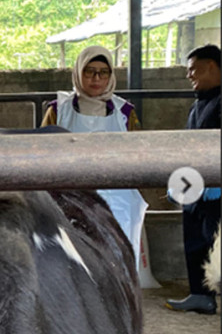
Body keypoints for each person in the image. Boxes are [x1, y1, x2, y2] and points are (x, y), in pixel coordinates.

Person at [41, 45, 147, 267]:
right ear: (78, 73)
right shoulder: (58, 110)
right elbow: (42, 152)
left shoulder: (125, 113)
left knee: (117, 256)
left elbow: (138, 153)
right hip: (70, 194)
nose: (96, 78)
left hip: (117, 196)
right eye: (89, 71)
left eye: (103, 72)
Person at [166, 44, 221, 315]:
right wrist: (179, 181)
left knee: (216, 242)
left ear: (211, 65)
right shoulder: (198, 105)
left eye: (192, 68)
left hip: (217, 190)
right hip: (196, 187)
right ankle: (201, 295)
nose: (189, 75)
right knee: (195, 239)